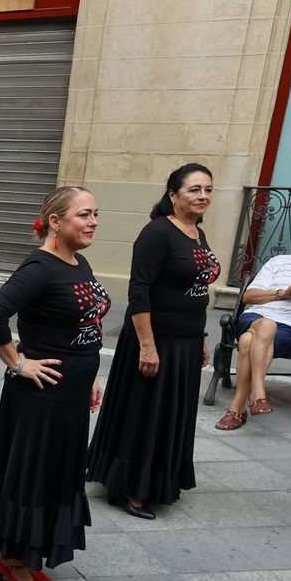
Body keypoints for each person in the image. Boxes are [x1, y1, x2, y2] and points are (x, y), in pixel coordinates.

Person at [0, 186, 109, 581]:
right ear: (55, 222)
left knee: (55, 473)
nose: (93, 221)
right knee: (32, 474)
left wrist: (91, 375)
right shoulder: (40, 268)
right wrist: (17, 362)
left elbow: (84, 325)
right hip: (40, 397)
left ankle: (25, 552)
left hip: (71, 393)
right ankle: (11, 557)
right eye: (83, 215)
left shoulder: (77, 261)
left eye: (95, 214)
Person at [89, 165, 219, 518]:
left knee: (171, 413)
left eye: (208, 189)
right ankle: (131, 488)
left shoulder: (196, 232)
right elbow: (139, 292)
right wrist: (148, 346)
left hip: (186, 342)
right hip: (155, 339)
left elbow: (197, 292)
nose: (203, 196)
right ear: (173, 195)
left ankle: (159, 479)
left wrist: (202, 337)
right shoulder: (156, 233)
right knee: (146, 412)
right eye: (194, 190)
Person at [217, 221, 291, 431]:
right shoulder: (279, 262)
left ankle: (237, 409)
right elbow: (248, 296)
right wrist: (283, 293)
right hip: (257, 317)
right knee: (266, 324)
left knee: (248, 340)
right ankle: (258, 394)